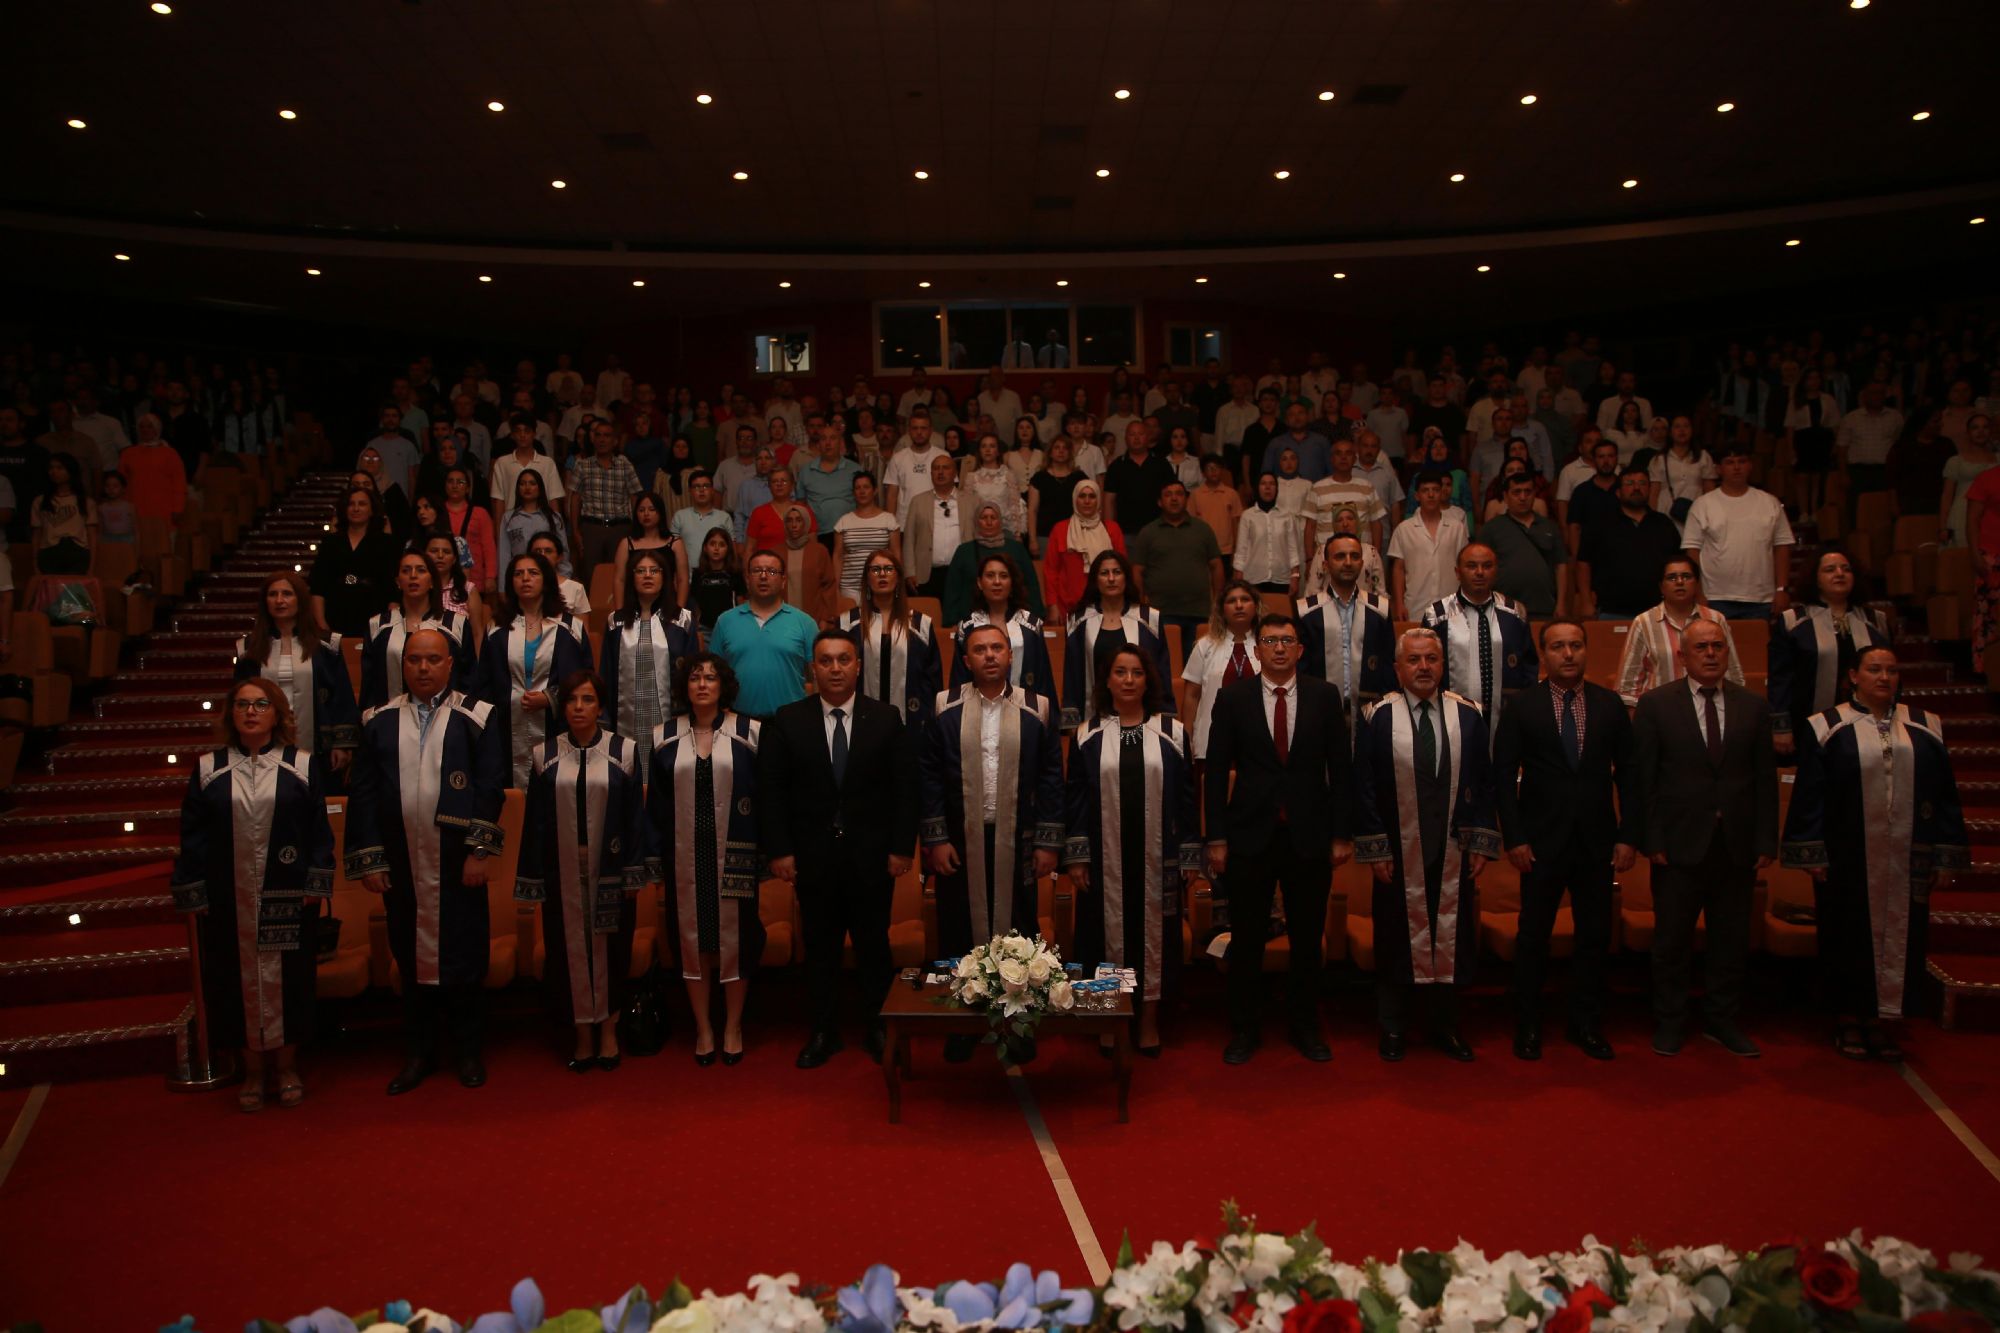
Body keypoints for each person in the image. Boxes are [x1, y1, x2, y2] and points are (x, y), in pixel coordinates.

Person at [1782, 646, 1967, 1061]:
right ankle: (1849, 1017)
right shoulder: (1827, 725)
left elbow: (1945, 794)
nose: (1884, 677)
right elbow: (1811, 793)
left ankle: (1884, 1018)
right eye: (1875, 669)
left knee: (1904, 935)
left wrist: (1945, 854)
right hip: (1847, 855)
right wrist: (1813, 852)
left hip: (1908, 853)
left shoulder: (1924, 725)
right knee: (1846, 935)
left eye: (1892, 670)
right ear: (1854, 676)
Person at [345, 628, 506, 1094]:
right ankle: (419, 1052)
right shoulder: (378, 720)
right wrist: (372, 860)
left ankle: (468, 1050)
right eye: (414, 659)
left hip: (458, 862)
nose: (422, 667)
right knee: (408, 954)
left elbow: (490, 786)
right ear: (403, 664)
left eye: (433, 659)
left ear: (450, 664)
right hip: (402, 862)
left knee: (465, 954)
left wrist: (478, 851)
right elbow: (364, 793)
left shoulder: (476, 715)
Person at [171, 677, 336, 1112]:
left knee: (290, 981)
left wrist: (315, 883)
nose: (251, 712)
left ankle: (287, 1067)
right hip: (230, 898)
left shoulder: (301, 765)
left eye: (261, 704)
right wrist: (194, 890)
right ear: (231, 713)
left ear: (276, 713)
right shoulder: (209, 769)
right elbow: (193, 835)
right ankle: (253, 1072)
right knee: (233, 981)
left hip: (287, 893)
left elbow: (318, 830)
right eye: (242, 704)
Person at [760, 631, 919, 1068]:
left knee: (874, 946)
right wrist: (780, 851)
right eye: (825, 661)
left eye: (843, 660)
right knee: (820, 948)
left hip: (873, 858)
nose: (835, 668)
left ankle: (878, 1027)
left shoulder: (885, 718)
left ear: (857, 666)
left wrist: (902, 849)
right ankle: (823, 1031)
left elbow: (906, 790)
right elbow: (772, 792)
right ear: (812, 668)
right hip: (812, 859)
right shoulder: (788, 720)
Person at [1204, 612, 1351, 1064]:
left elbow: (1341, 770)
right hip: (1250, 836)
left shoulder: (1325, 696)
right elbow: (1215, 771)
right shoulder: (1233, 698)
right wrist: (1216, 838)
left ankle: (1305, 1025)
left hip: (1309, 836)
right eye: (1271, 641)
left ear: (1300, 649)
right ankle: (1245, 1027)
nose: (1280, 648)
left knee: (1307, 938)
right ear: (1257, 650)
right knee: (1247, 938)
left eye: (1287, 641)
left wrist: (1342, 834)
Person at [1631, 618, 1780, 1058]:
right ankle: (1670, 1021)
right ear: (1683, 656)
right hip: (1677, 845)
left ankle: (1722, 1020)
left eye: (1718, 646)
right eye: (1702, 647)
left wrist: (1765, 841)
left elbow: (1765, 780)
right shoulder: (1657, 705)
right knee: (1672, 942)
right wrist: (1651, 839)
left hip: (1736, 844)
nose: (1711, 653)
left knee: (1730, 941)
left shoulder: (1753, 707)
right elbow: (1644, 781)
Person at [1492, 621, 1638, 1062]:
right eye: (1558, 646)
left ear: (1586, 650)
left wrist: (1628, 835)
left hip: (1597, 842)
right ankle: (1528, 1025)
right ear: (1544, 654)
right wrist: (1515, 838)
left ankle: (1585, 1023)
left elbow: (1630, 775)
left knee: (1594, 937)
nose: (1568, 654)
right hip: (1540, 843)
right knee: (1533, 937)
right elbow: (1503, 777)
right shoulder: (1522, 706)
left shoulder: (1610, 705)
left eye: (1576, 645)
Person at [920, 624, 1066, 1061]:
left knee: (1018, 929)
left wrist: (1048, 843)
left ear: (1010, 655)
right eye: (979, 649)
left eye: (996, 648)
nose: (989, 655)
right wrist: (937, 838)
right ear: (966, 660)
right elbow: (928, 774)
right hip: (960, 840)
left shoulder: (1037, 707)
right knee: (957, 928)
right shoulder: (944, 705)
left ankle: (1018, 1025)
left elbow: (1051, 777)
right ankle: (962, 1024)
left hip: (1018, 839)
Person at [1352, 627, 1498, 1062]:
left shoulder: (1468, 715)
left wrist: (1480, 842)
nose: (1423, 667)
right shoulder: (1377, 717)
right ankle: (1393, 1026)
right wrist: (1376, 848)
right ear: (1397, 668)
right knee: (1396, 935)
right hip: (1397, 851)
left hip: (1453, 848)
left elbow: (1484, 782)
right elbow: (1363, 787)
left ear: (1442, 665)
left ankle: (1445, 1025)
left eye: (1431, 659)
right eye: (1413, 660)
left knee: (1451, 935)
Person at [1065, 644, 1201, 1055]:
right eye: (1120, 672)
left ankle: (1149, 1021)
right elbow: (1076, 800)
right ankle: (1108, 1017)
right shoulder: (1087, 734)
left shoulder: (1172, 732)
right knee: (1100, 936)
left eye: (1136, 673)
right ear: (1107, 681)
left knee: (1155, 938)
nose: (1128, 680)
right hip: (1103, 860)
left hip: (1157, 859)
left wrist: (1189, 855)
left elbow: (1188, 799)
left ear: (1148, 680)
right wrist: (1078, 857)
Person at [515, 670, 648, 1071]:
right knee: (565, 951)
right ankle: (582, 1034)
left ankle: (608, 1030)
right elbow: (535, 822)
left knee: (612, 948)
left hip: (610, 869)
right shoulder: (545, 754)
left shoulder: (624, 751)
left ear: (600, 706)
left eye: (587, 700)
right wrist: (533, 877)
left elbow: (634, 819)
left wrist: (633, 872)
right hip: (563, 872)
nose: (578, 707)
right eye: (571, 699)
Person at [649, 653, 765, 1065]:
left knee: (738, 941)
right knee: (691, 941)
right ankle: (703, 1027)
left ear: (723, 686)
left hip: (735, 854)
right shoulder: (664, 736)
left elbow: (764, 797)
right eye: (695, 677)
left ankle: (733, 1025)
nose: (702, 684)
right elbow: (656, 806)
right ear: (685, 686)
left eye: (711, 678)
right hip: (684, 858)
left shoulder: (749, 732)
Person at [473, 553, 593, 787]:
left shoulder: (570, 628)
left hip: (557, 726)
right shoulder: (496, 629)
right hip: (507, 728)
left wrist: (550, 698)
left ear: (546, 580)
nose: (525, 578)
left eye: (533, 573)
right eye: (518, 574)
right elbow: (484, 683)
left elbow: (584, 680)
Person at [1769, 548, 1894, 753]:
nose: (1839, 574)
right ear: (1816, 579)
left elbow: (1890, 674)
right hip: (1808, 724)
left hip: (1868, 725)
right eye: (1830, 569)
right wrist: (1781, 727)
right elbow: (1780, 679)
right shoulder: (1793, 621)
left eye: (1846, 569)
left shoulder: (1876, 622)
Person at [234, 570, 360, 771]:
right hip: (265, 738)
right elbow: (239, 701)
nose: (279, 600)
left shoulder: (327, 645)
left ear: (300, 599)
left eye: (287, 594)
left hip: (316, 739)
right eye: (273, 594)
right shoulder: (248, 650)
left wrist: (341, 744)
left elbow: (341, 696)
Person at [1421, 544, 1538, 755]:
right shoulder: (1437, 616)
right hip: (1450, 718)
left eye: (1487, 566)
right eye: (1471, 566)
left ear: (1496, 570)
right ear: (1458, 572)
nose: (1480, 572)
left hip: (1505, 718)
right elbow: (1425, 668)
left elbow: (1528, 667)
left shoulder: (1514, 613)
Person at [600, 548, 699, 775]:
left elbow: (692, 674)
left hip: (672, 717)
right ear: (631, 577)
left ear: (665, 577)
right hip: (624, 719)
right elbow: (606, 674)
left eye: (654, 570)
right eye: (640, 571)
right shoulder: (615, 622)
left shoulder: (683, 620)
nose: (647, 575)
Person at [1681, 442, 1796, 620]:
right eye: (1730, 462)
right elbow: (1692, 551)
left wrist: (1781, 589)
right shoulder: (1703, 505)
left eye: (1741, 461)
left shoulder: (1769, 502)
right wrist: (1698, 592)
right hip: (1715, 597)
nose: (1736, 467)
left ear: (1750, 465)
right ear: (1719, 469)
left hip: (1761, 598)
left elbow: (1782, 546)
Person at [1061, 550, 1174, 730]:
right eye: (1104, 573)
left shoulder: (1149, 619)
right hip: (1093, 720)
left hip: (1145, 720)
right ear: (1095, 580)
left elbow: (1162, 673)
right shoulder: (1078, 621)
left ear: (1126, 578)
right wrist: (1072, 725)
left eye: (1117, 572)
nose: (1111, 578)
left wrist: (1166, 718)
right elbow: (1072, 677)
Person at [707, 548, 820, 721]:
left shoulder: (804, 622)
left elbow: (819, 675)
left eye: (772, 571)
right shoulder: (726, 621)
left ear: (783, 580)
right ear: (747, 579)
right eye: (757, 570)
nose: (763, 576)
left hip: (792, 721)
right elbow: (712, 672)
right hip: (737, 720)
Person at [357, 550, 477, 711]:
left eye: (421, 570)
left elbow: (469, 680)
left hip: (447, 718)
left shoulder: (456, 624)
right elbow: (369, 686)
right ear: (398, 581)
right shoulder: (378, 626)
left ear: (432, 581)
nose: (413, 576)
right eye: (406, 570)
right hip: (389, 719)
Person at [1616, 555, 1744, 706]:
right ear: (1661, 586)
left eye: (1686, 576)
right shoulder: (1644, 622)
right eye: (1671, 577)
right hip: (1660, 710)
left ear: (1696, 583)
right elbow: (1627, 685)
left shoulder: (1716, 619)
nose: (1679, 582)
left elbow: (1733, 675)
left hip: (1710, 709)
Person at [1297, 535, 1397, 723]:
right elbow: (1301, 670)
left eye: (1355, 556)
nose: (1348, 562)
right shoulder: (1306, 611)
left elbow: (1388, 666)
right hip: (1318, 711)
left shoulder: (1380, 609)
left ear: (1362, 564)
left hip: (1371, 712)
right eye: (1340, 556)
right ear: (1325, 565)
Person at [949, 551, 1057, 715]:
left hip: (1026, 715)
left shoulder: (1031, 625)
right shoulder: (967, 627)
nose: (997, 582)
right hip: (977, 714)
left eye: (1004, 576)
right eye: (990, 576)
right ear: (979, 583)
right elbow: (959, 681)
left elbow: (1044, 679)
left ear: (1012, 583)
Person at [1130, 480, 1224, 663]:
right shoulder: (1148, 532)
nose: (1174, 499)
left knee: (1197, 667)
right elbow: (1137, 571)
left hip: (1199, 613)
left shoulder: (1203, 530)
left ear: (1186, 499)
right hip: (1160, 613)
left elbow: (1216, 565)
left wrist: (1218, 602)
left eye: (1179, 494)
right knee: (1165, 667)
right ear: (1160, 502)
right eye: (1168, 494)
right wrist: (1140, 604)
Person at [1576, 466, 1682, 620]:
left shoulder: (1663, 524)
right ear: (1618, 492)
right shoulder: (1600, 523)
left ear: (1650, 489)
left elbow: (1678, 563)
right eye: (1630, 483)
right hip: (1612, 610)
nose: (1636, 488)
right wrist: (1586, 601)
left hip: (1659, 610)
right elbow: (1583, 563)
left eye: (1642, 483)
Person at [1181, 580, 1263, 766]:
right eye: (1232, 601)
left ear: (1255, 606)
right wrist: (1187, 739)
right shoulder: (1205, 645)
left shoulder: (1267, 643)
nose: (1239, 605)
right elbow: (1191, 696)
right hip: (1211, 740)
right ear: (1222, 610)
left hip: (1259, 743)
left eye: (1245, 599)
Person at [309, 486, 400, 639]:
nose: (356, 508)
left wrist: (388, 625)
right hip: (335, 611)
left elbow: (391, 589)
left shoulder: (386, 543)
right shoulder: (330, 542)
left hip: (374, 613)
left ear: (372, 510)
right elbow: (318, 586)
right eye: (351, 504)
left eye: (362, 504)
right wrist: (321, 624)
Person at [944, 500, 1045, 625]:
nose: (989, 522)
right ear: (976, 522)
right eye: (984, 518)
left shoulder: (1017, 549)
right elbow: (952, 590)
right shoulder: (964, 551)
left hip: (1014, 620)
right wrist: (952, 622)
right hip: (971, 620)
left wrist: (1036, 618)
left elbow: (1031, 586)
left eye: (993, 517)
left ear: (1000, 521)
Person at [1386, 470, 1469, 620]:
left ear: (1441, 493)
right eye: (1425, 490)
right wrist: (1398, 603)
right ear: (1417, 496)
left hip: (1451, 604)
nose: (1431, 495)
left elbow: (1464, 565)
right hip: (1416, 604)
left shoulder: (1457, 528)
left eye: (1435, 490)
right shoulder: (1404, 529)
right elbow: (1398, 569)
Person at [1041, 478, 1125, 623]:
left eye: (1092, 496)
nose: (1087, 501)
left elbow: (1123, 570)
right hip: (1068, 607)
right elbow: (1051, 571)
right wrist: (1052, 606)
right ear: (1075, 499)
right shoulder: (1060, 530)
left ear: (1098, 500)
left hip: (1107, 606)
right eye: (1082, 496)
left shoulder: (1112, 529)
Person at [901, 452, 966, 601]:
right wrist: (909, 572)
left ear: (955, 473)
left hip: (962, 573)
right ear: (931, 474)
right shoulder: (918, 501)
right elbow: (909, 539)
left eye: (945, 468)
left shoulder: (971, 501)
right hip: (926, 575)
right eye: (936, 468)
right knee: (927, 614)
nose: (940, 472)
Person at [832, 470, 902, 605]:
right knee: (851, 619)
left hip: (882, 584)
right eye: (857, 488)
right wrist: (835, 588)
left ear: (875, 491)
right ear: (853, 492)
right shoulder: (843, 522)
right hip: (850, 587)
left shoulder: (889, 520)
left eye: (866, 487)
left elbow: (896, 554)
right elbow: (838, 557)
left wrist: (897, 582)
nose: (862, 491)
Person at [610, 492, 688, 613]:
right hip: (634, 607)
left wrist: (680, 611)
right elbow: (619, 580)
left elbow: (682, 579)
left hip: (668, 606)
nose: (646, 514)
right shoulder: (626, 544)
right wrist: (619, 612)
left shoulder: (675, 543)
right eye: (641, 510)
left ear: (660, 512)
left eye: (652, 509)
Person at [496, 468, 574, 579]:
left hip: (549, 576)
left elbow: (563, 552)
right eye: (522, 484)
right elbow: (504, 555)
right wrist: (503, 585)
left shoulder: (554, 517)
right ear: (517, 488)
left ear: (540, 488)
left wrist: (564, 578)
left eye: (532, 483)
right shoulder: (509, 518)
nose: (527, 487)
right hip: (521, 576)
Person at [1233, 472, 1301, 597]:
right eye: (1263, 484)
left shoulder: (1287, 516)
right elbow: (1241, 550)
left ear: (1277, 489)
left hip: (1282, 579)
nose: (1268, 487)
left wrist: (1295, 576)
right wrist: (1238, 576)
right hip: (1253, 579)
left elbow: (1293, 550)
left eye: (1272, 484)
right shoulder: (1247, 516)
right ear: (1257, 488)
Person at [1103, 420, 1177, 532]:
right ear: (1125, 439)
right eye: (1132, 434)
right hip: (1125, 531)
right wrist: (1110, 530)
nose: (1136, 438)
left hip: (1158, 530)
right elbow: (1109, 501)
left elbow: (1171, 495)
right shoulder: (1116, 466)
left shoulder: (1161, 463)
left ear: (1147, 437)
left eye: (1140, 434)